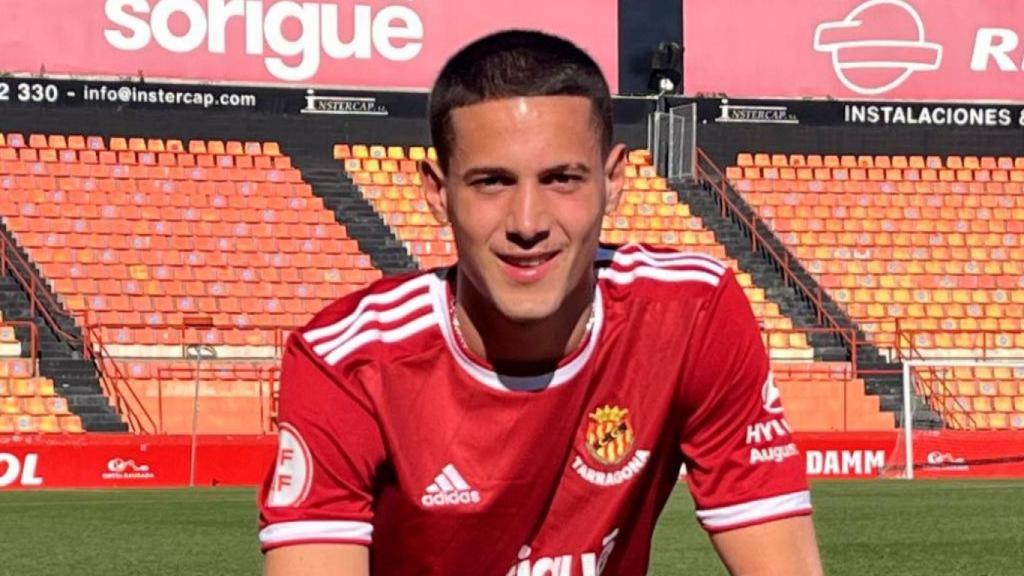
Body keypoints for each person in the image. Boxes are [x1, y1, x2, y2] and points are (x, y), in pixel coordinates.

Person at [259, 30, 823, 575]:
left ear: (614, 181)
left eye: (561, 179)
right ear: (438, 192)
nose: (527, 223)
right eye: (491, 183)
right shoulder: (348, 360)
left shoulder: (692, 313)